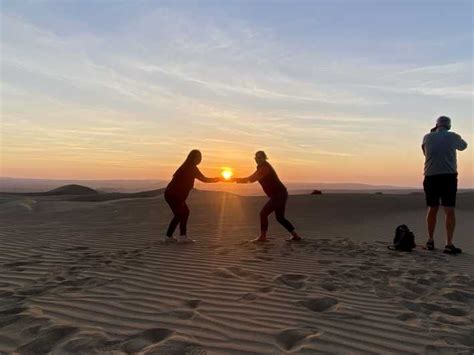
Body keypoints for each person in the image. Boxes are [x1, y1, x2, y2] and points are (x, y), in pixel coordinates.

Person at [422, 116, 468, 254]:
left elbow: (425, 152)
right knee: (449, 210)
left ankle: (430, 240)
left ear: (436, 125)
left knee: (432, 208)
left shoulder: (427, 137)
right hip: (448, 177)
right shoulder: (453, 136)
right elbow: (464, 146)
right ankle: (449, 243)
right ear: (449, 126)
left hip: (430, 176)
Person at [234, 151, 302, 242]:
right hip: (280, 194)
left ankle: (263, 237)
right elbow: (251, 179)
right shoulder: (261, 167)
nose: (257, 159)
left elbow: (251, 179)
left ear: (264, 158)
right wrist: (237, 180)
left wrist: (234, 179)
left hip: (278, 195)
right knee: (280, 218)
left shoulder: (265, 168)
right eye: (256, 157)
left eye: (260, 157)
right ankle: (296, 236)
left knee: (263, 213)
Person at [164, 150, 223, 243]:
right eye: (198, 157)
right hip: (175, 195)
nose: (200, 159)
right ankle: (182, 237)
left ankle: (169, 236)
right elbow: (204, 179)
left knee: (180, 214)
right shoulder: (191, 167)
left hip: (171, 194)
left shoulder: (187, 166)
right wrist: (218, 179)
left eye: (200, 157)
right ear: (192, 158)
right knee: (183, 213)